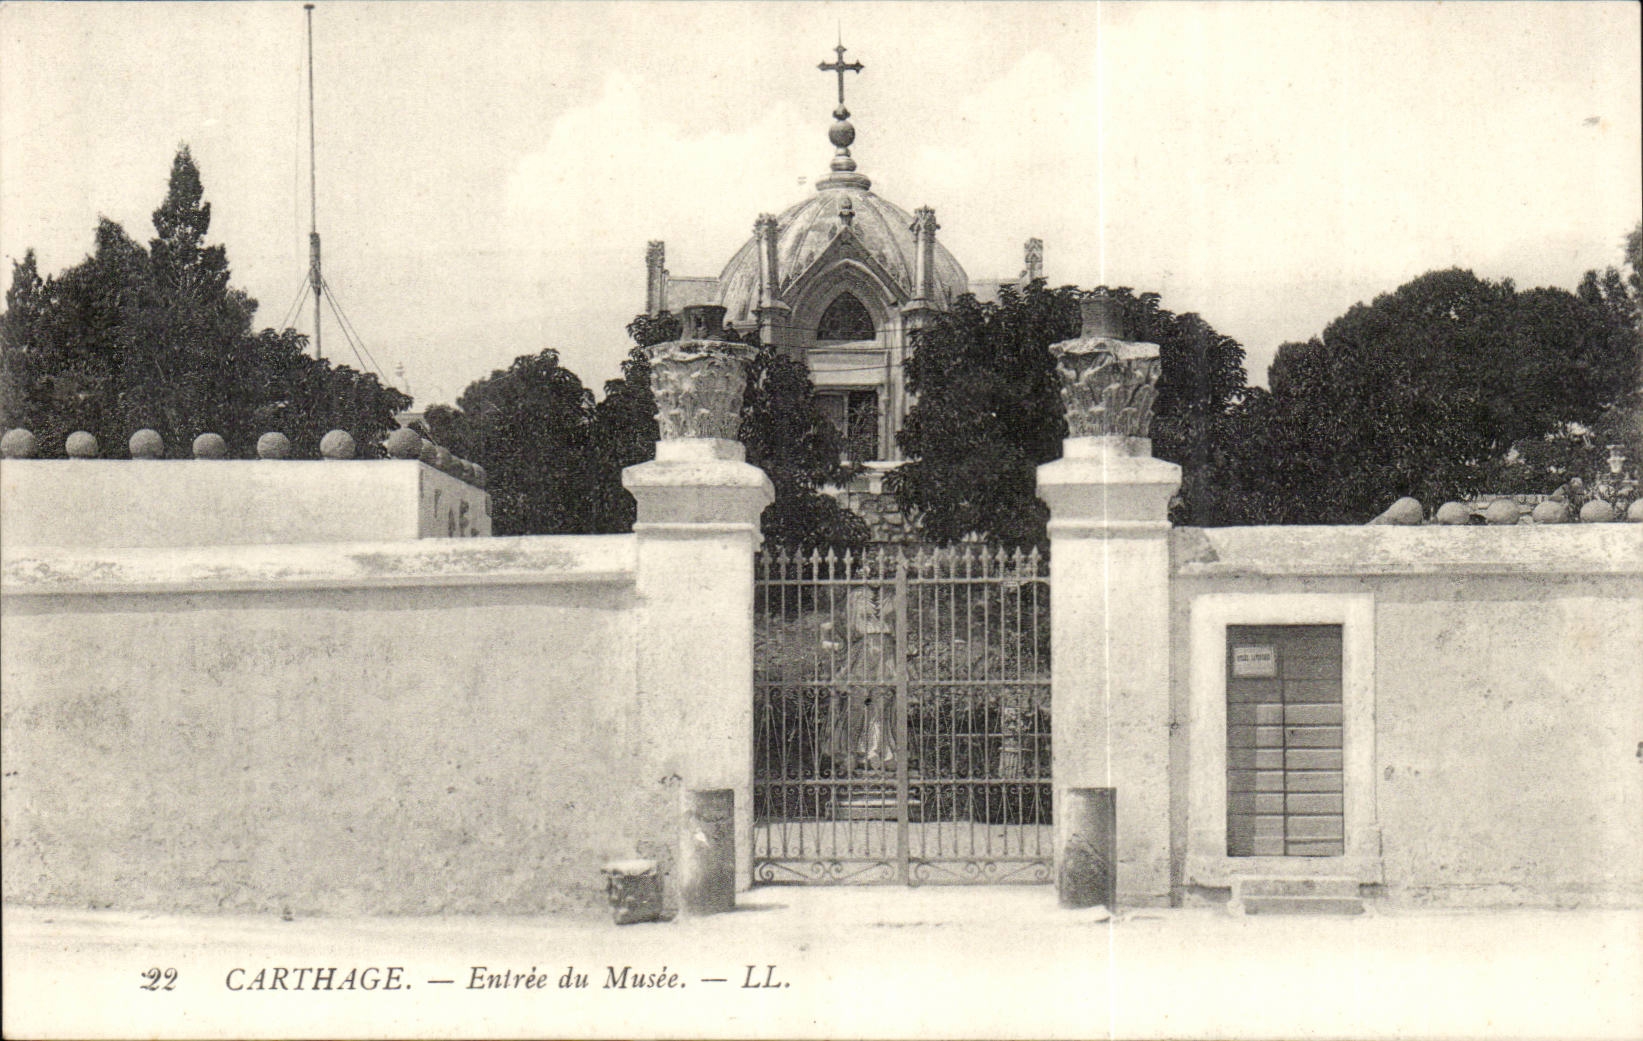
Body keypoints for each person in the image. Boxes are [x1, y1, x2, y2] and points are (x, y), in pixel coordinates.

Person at [827, 581, 897, 775]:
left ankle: (878, 752)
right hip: (863, 651)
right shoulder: (854, 597)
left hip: (886, 652)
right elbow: (843, 625)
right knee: (856, 704)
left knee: (881, 704)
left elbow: (900, 626)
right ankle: (852, 753)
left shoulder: (892, 596)